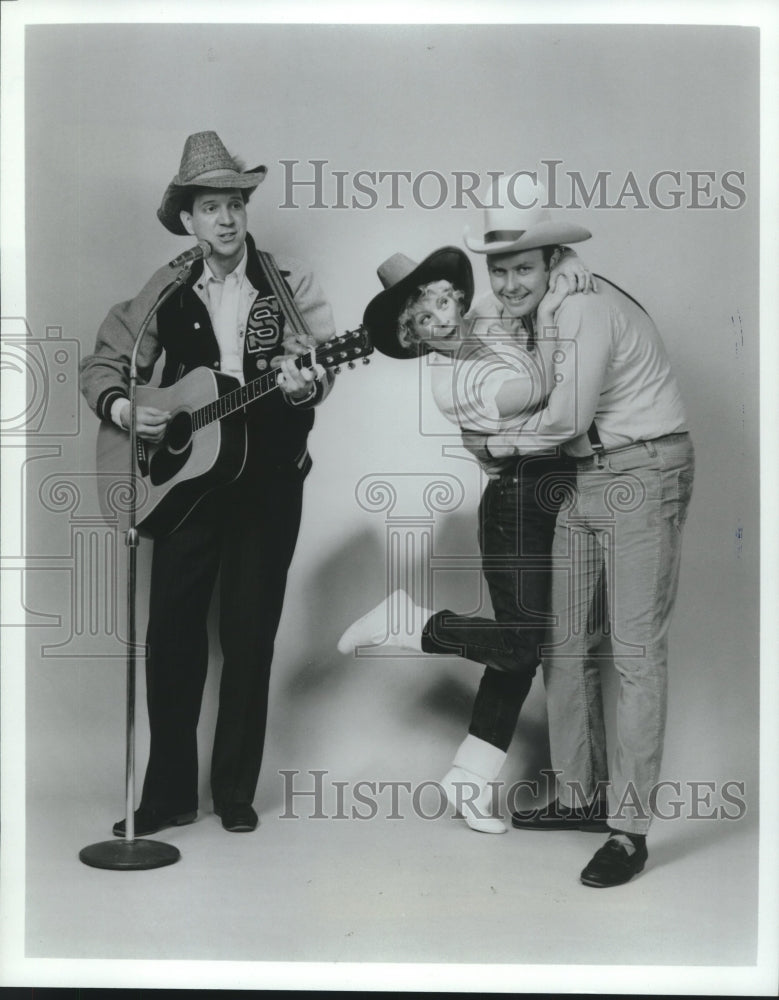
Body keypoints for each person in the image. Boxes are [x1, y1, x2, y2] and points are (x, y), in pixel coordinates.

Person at [80, 131, 335, 835]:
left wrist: (303, 381)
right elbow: (106, 363)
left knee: (250, 637)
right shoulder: (165, 288)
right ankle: (165, 796)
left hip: (268, 483)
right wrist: (131, 408)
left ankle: (234, 793)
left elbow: (315, 377)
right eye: (211, 207)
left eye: (235, 204)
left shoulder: (289, 287)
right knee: (172, 636)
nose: (226, 219)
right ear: (188, 220)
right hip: (185, 484)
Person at [464, 176, 695, 887]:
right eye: (497, 269)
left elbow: (564, 417)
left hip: (642, 467)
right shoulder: (540, 310)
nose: (506, 283)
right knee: (562, 644)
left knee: (631, 653)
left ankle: (627, 833)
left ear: (552, 258)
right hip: (585, 473)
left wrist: (495, 442)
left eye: (521, 268)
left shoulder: (584, 307)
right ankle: (579, 796)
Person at [338, 225, 594, 835]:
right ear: (412, 336)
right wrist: (558, 306)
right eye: (422, 317)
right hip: (513, 507)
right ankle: (407, 622)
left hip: (546, 493)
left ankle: (469, 780)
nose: (440, 318)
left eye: (442, 300)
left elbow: (526, 284)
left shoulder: (487, 318)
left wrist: (569, 265)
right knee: (523, 645)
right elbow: (543, 386)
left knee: (516, 655)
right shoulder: (453, 384)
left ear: (456, 295)